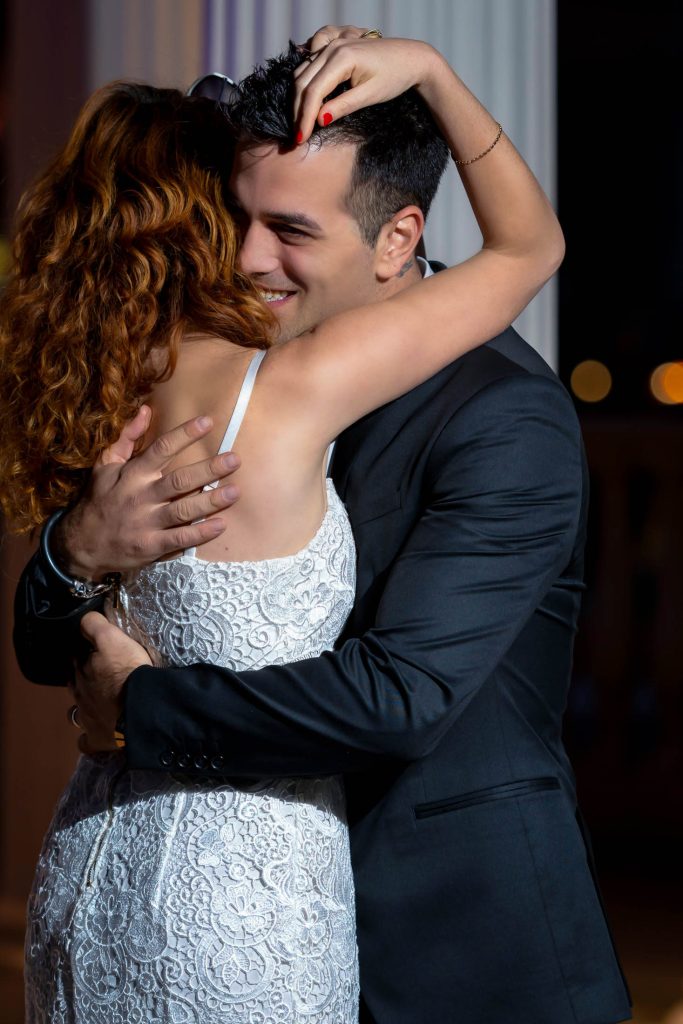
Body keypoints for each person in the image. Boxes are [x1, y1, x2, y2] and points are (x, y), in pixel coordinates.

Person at [7, 27, 631, 1024]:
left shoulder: (499, 412)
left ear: (397, 238)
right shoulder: (202, 376)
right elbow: (47, 643)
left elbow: (403, 695)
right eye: (236, 218)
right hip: (181, 906)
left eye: (290, 230)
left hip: (447, 951)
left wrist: (148, 709)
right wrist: (75, 549)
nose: (250, 258)